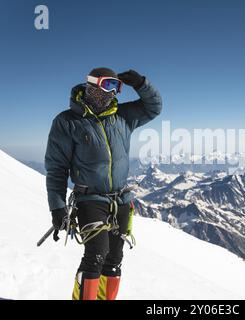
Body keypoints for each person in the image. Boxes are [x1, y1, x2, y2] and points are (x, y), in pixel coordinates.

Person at [44, 67, 162, 300]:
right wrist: (57, 207)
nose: (114, 92)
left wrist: (141, 84)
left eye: (117, 87)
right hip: (89, 199)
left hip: (120, 199)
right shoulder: (67, 121)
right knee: (97, 253)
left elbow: (154, 107)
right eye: (109, 85)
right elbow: (57, 168)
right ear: (93, 85)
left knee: (114, 257)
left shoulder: (123, 116)